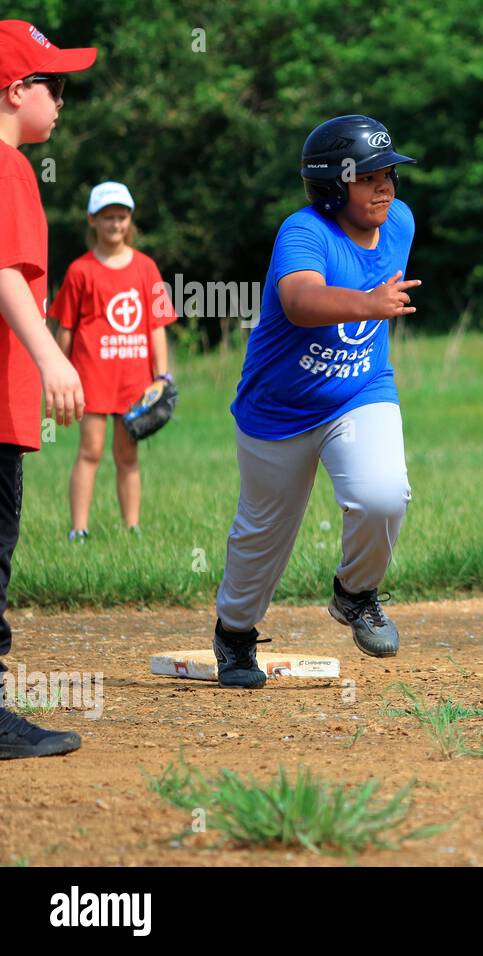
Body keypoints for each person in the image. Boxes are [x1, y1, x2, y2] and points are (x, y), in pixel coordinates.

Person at [212, 114, 421, 689]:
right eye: (370, 175)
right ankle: (234, 634)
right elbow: (301, 301)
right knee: (261, 537)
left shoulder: (398, 220)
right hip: (276, 411)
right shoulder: (302, 232)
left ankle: (356, 594)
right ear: (332, 184)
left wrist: (371, 308)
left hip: (360, 391)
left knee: (382, 494)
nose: (386, 186)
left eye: (390, 173)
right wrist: (367, 303)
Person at [0, 19, 96, 758]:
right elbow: (5, 273)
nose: (61, 101)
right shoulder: (9, 169)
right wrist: (53, 359)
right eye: (53, 85)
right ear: (13, 88)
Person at [51, 181, 177, 540]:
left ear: (130, 220)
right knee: (89, 451)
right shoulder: (80, 271)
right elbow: (66, 330)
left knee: (127, 455)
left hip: (134, 380)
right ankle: (79, 529)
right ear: (92, 220)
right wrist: (59, 373)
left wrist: (162, 376)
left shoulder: (146, 268)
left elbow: (156, 327)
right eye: (107, 218)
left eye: (121, 218)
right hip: (91, 375)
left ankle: (132, 527)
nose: (115, 225)